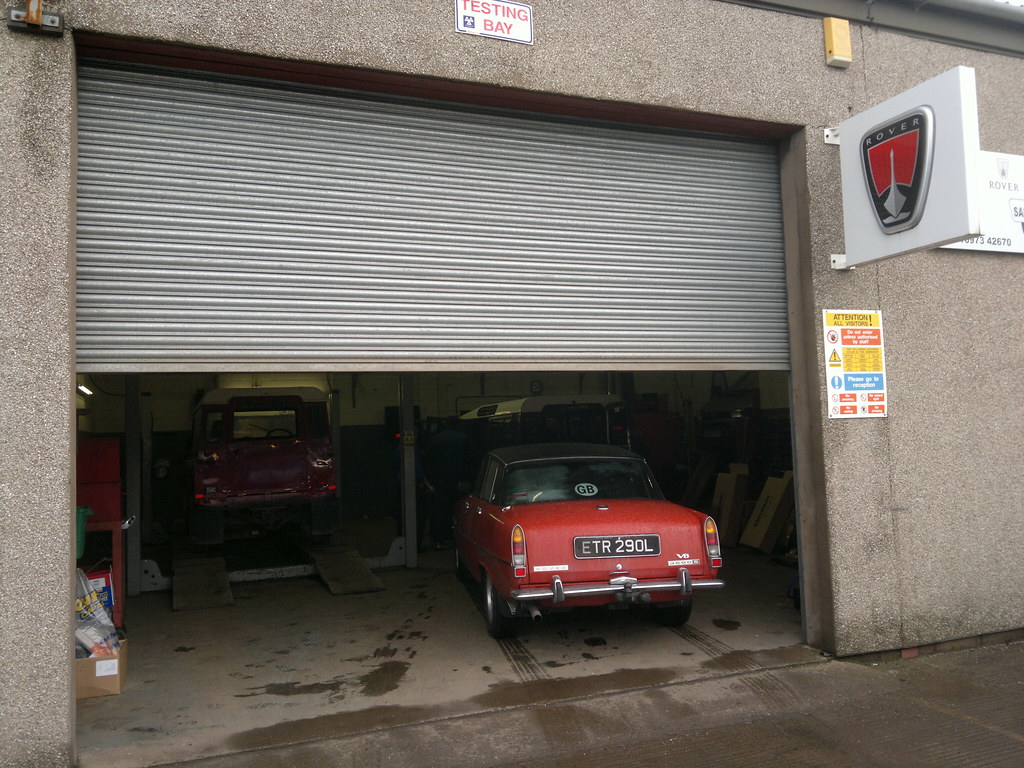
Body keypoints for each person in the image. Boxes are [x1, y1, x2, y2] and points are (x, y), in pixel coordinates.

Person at [424, 417, 473, 549]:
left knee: (441, 509)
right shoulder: (464, 439)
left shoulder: (435, 440)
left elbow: (428, 462)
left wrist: (431, 482)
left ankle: (439, 539)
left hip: (441, 481)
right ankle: (458, 537)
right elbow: (471, 460)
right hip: (460, 481)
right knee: (459, 508)